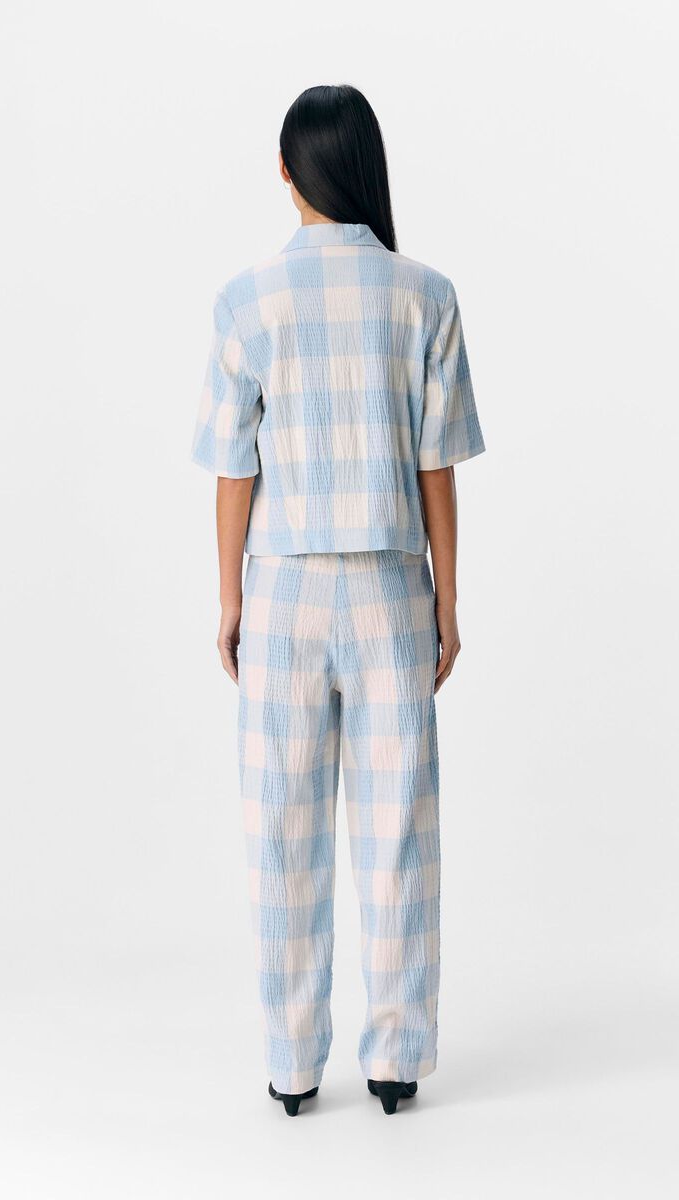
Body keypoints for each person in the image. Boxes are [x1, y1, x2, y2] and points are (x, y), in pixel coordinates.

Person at [191, 84, 485, 1117]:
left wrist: (228, 597)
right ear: (367, 166)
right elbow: (437, 465)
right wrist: (449, 598)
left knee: (283, 826)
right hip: (392, 588)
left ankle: (291, 1066)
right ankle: (396, 1061)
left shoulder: (246, 300)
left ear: (285, 172)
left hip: (282, 589)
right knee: (398, 824)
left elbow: (234, 468)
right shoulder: (426, 295)